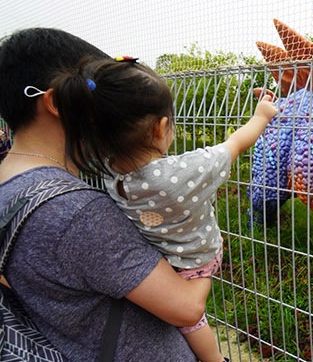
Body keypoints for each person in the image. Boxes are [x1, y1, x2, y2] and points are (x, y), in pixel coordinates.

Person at [0, 28, 213, 361]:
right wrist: (208, 253)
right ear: (56, 102)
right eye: (98, 97)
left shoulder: (9, 186)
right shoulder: (76, 211)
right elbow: (187, 307)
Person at [48, 57, 278, 361]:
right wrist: (261, 114)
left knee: (186, 320)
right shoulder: (180, 174)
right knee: (192, 321)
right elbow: (235, 144)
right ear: (161, 127)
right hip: (197, 259)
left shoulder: (105, 166)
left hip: (156, 257)